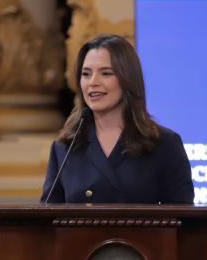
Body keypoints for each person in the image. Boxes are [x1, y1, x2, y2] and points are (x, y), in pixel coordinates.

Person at [40, 34, 194, 204]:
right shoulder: (65, 146)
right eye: (86, 74)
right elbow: (47, 220)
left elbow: (184, 221)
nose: (93, 82)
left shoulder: (164, 144)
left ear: (128, 80)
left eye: (106, 73)